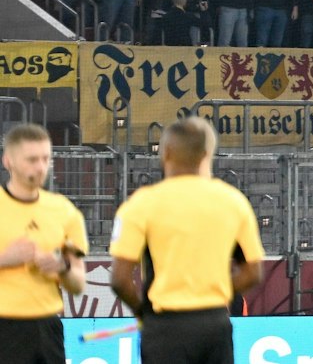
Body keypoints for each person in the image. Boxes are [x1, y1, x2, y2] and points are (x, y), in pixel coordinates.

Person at [108, 117, 265, 364]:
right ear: (207, 154)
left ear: (166, 152)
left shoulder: (141, 203)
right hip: (215, 324)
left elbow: (119, 279)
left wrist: (144, 314)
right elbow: (253, 273)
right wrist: (216, 292)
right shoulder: (233, 202)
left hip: (165, 327)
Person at [0, 124, 87, 364]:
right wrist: (6, 259)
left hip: (47, 328)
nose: (39, 167)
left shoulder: (65, 211)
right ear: (9, 161)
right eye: (31, 159)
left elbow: (79, 283)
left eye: (45, 159)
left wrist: (62, 268)